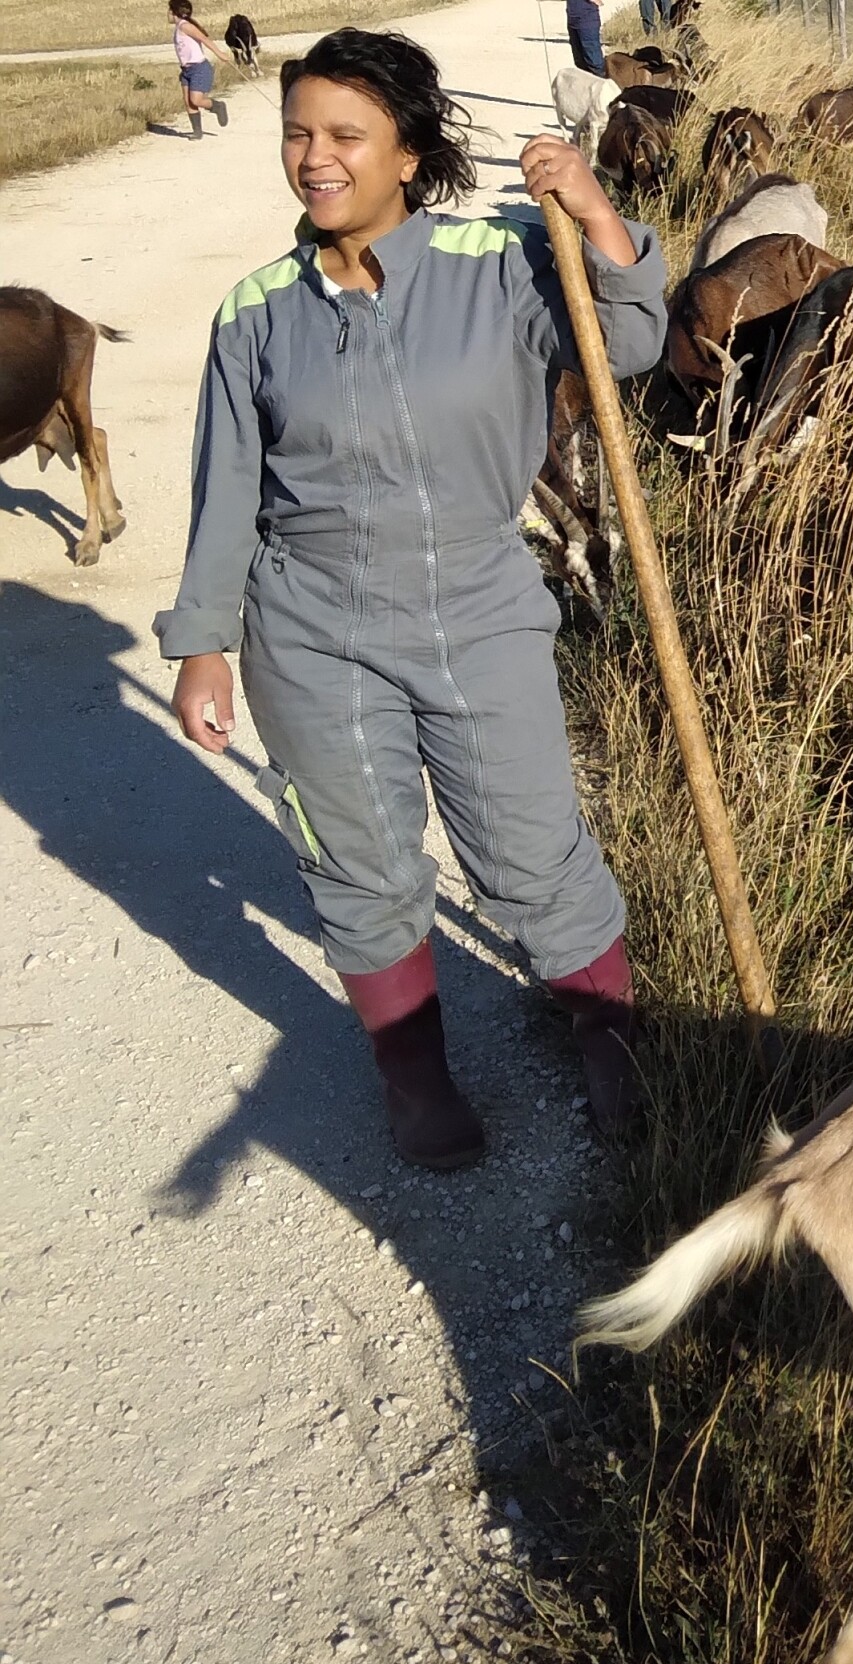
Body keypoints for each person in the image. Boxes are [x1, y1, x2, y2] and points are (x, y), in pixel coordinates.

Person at [158, 29, 668, 1169]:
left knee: (532, 850)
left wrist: (591, 213)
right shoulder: (257, 312)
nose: (313, 158)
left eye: (345, 135)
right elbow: (225, 491)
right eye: (297, 134)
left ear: (407, 154)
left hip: (482, 605)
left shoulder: (505, 257)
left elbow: (632, 342)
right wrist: (202, 642)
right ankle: (416, 1080)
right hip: (312, 631)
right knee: (362, 864)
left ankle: (612, 1045)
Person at [169, 0, 229, 137]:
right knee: (188, 101)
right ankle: (197, 132)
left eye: (169, 10)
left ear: (174, 12)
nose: (168, 14)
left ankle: (217, 106)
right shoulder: (179, 27)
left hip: (199, 68)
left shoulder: (185, 26)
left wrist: (220, 54)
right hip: (186, 70)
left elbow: (204, 39)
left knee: (196, 100)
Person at [565, 0, 604, 75]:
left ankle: (600, 82)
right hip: (572, 20)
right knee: (579, 62)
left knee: (594, 63)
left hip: (587, 20)